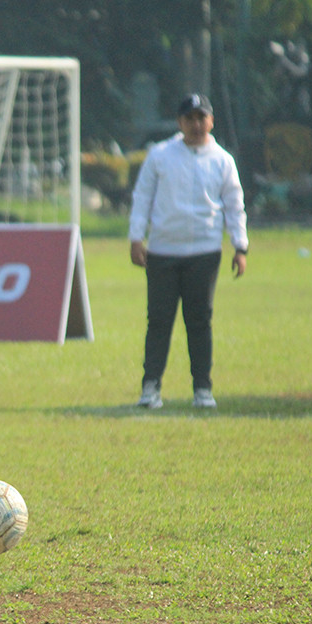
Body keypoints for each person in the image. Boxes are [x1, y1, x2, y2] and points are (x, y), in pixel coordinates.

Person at [128, 94, 249, 410]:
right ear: (180, 122)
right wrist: (136, 238)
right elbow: (143, 197)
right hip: (163, 251)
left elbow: (234, 204)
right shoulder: (161, 155)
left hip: (204, 251)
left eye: (201, 118)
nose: (196, 125)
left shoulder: (222, 160)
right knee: (159, 321)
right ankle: (151, 388)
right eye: (190, 118)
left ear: (211, 121)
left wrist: (240, 246)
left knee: (199, 321)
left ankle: (202, 389)